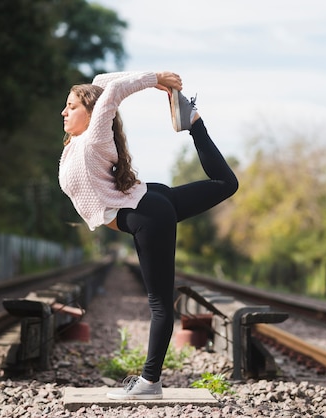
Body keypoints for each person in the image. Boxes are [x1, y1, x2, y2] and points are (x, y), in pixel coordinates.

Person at [58, 71, 238, 400]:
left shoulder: (96, 136)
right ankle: (193, 120)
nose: (63, 112)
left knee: (158, 303)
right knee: (227, 184)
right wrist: (155, 83)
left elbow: (110, 91)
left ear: (90, 112)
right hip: (146, 200)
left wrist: (155, 78)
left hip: (148, 214)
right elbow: (102, 80)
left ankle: (150, 382)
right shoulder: (80, 141)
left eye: (70, 106)